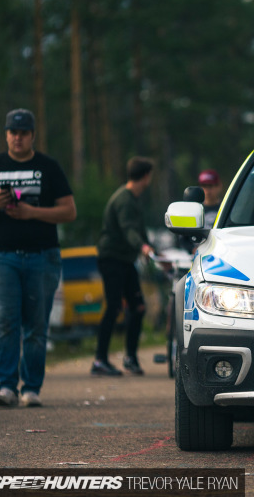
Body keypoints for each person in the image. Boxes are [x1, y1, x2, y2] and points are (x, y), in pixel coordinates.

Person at [0, 108, 77, 407]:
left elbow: (69, 211)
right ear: (6, 134)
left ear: (33, 135)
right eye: (13, 132)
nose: (18, 138)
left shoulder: (48, 167)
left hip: (42, 257)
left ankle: (31, 389)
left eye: (23, 133)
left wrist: (31, 212)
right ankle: (7, 387)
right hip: (1, 258)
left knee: (36, 326)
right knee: (5, 322)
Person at [91, 156, 154, 377]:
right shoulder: (124, 200)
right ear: (145, 176)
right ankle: (99, 360)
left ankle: (130, 358)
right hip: (111, 259)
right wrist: (142, 246)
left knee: (138, 307)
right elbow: (129, 230)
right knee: (114, 307)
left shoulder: (134, 199)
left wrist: (151, 249)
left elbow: (140, 231)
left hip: (125, 261)